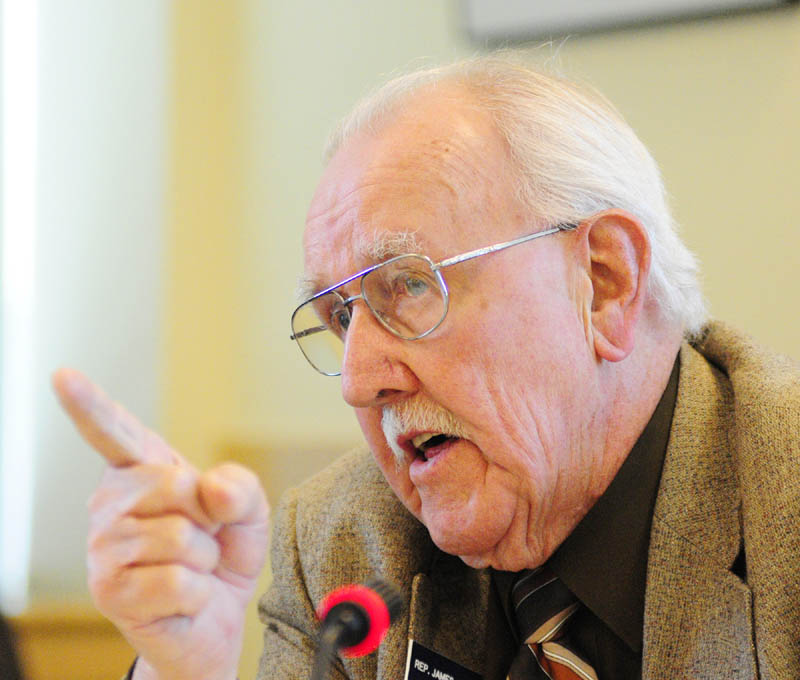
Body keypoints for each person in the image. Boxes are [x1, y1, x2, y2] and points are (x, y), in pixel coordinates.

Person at [53, 54, 799, 680]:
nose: (357, 379)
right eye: (341, 317)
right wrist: (183, 669)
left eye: (409, 285)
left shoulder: (783, 504)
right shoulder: (337, 545)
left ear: (604, 282)